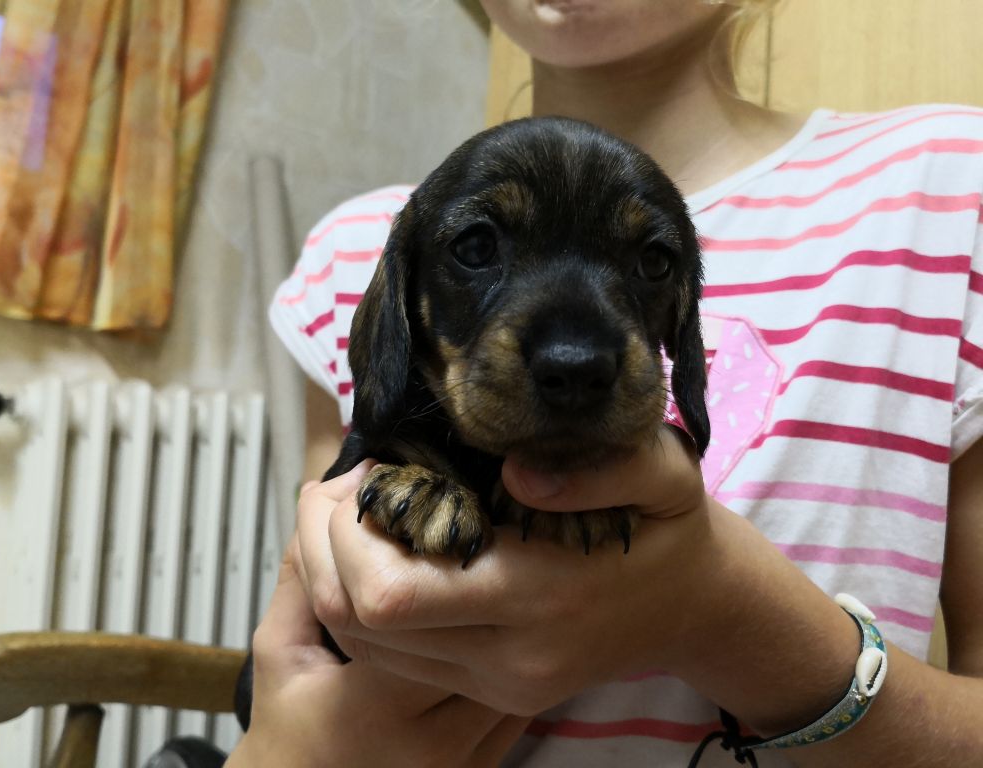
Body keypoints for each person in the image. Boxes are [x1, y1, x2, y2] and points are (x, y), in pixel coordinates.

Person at [228, 1, 983, 765]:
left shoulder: (947, 196)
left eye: (649, 264)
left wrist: (719, 608)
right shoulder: (346, 254)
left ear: (682, 315)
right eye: (477, 249)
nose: (570, 353)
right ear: (405, 301)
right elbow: (311, 633)